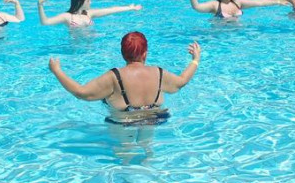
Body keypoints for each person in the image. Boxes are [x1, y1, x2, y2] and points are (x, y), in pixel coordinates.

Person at [48, 31, 200, 125]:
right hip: (154, 119)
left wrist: (57, 71)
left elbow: (81, 93)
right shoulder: (159, 73)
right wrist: (195, 60)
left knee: (125, 155)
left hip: (123, 122)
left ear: (122, 54)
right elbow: (181, 81)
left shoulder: (114, 77)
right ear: (145, 53)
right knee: (147, 149)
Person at [38, 0, 141, 27]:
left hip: (91, 48)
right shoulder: (67, 17)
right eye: (88, 0)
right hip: (76, 49)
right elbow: (45, 22)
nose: (90, 2)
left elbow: (110, 10)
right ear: (80, 2)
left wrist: (129, 8)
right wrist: (40, 4)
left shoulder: (88, 13)